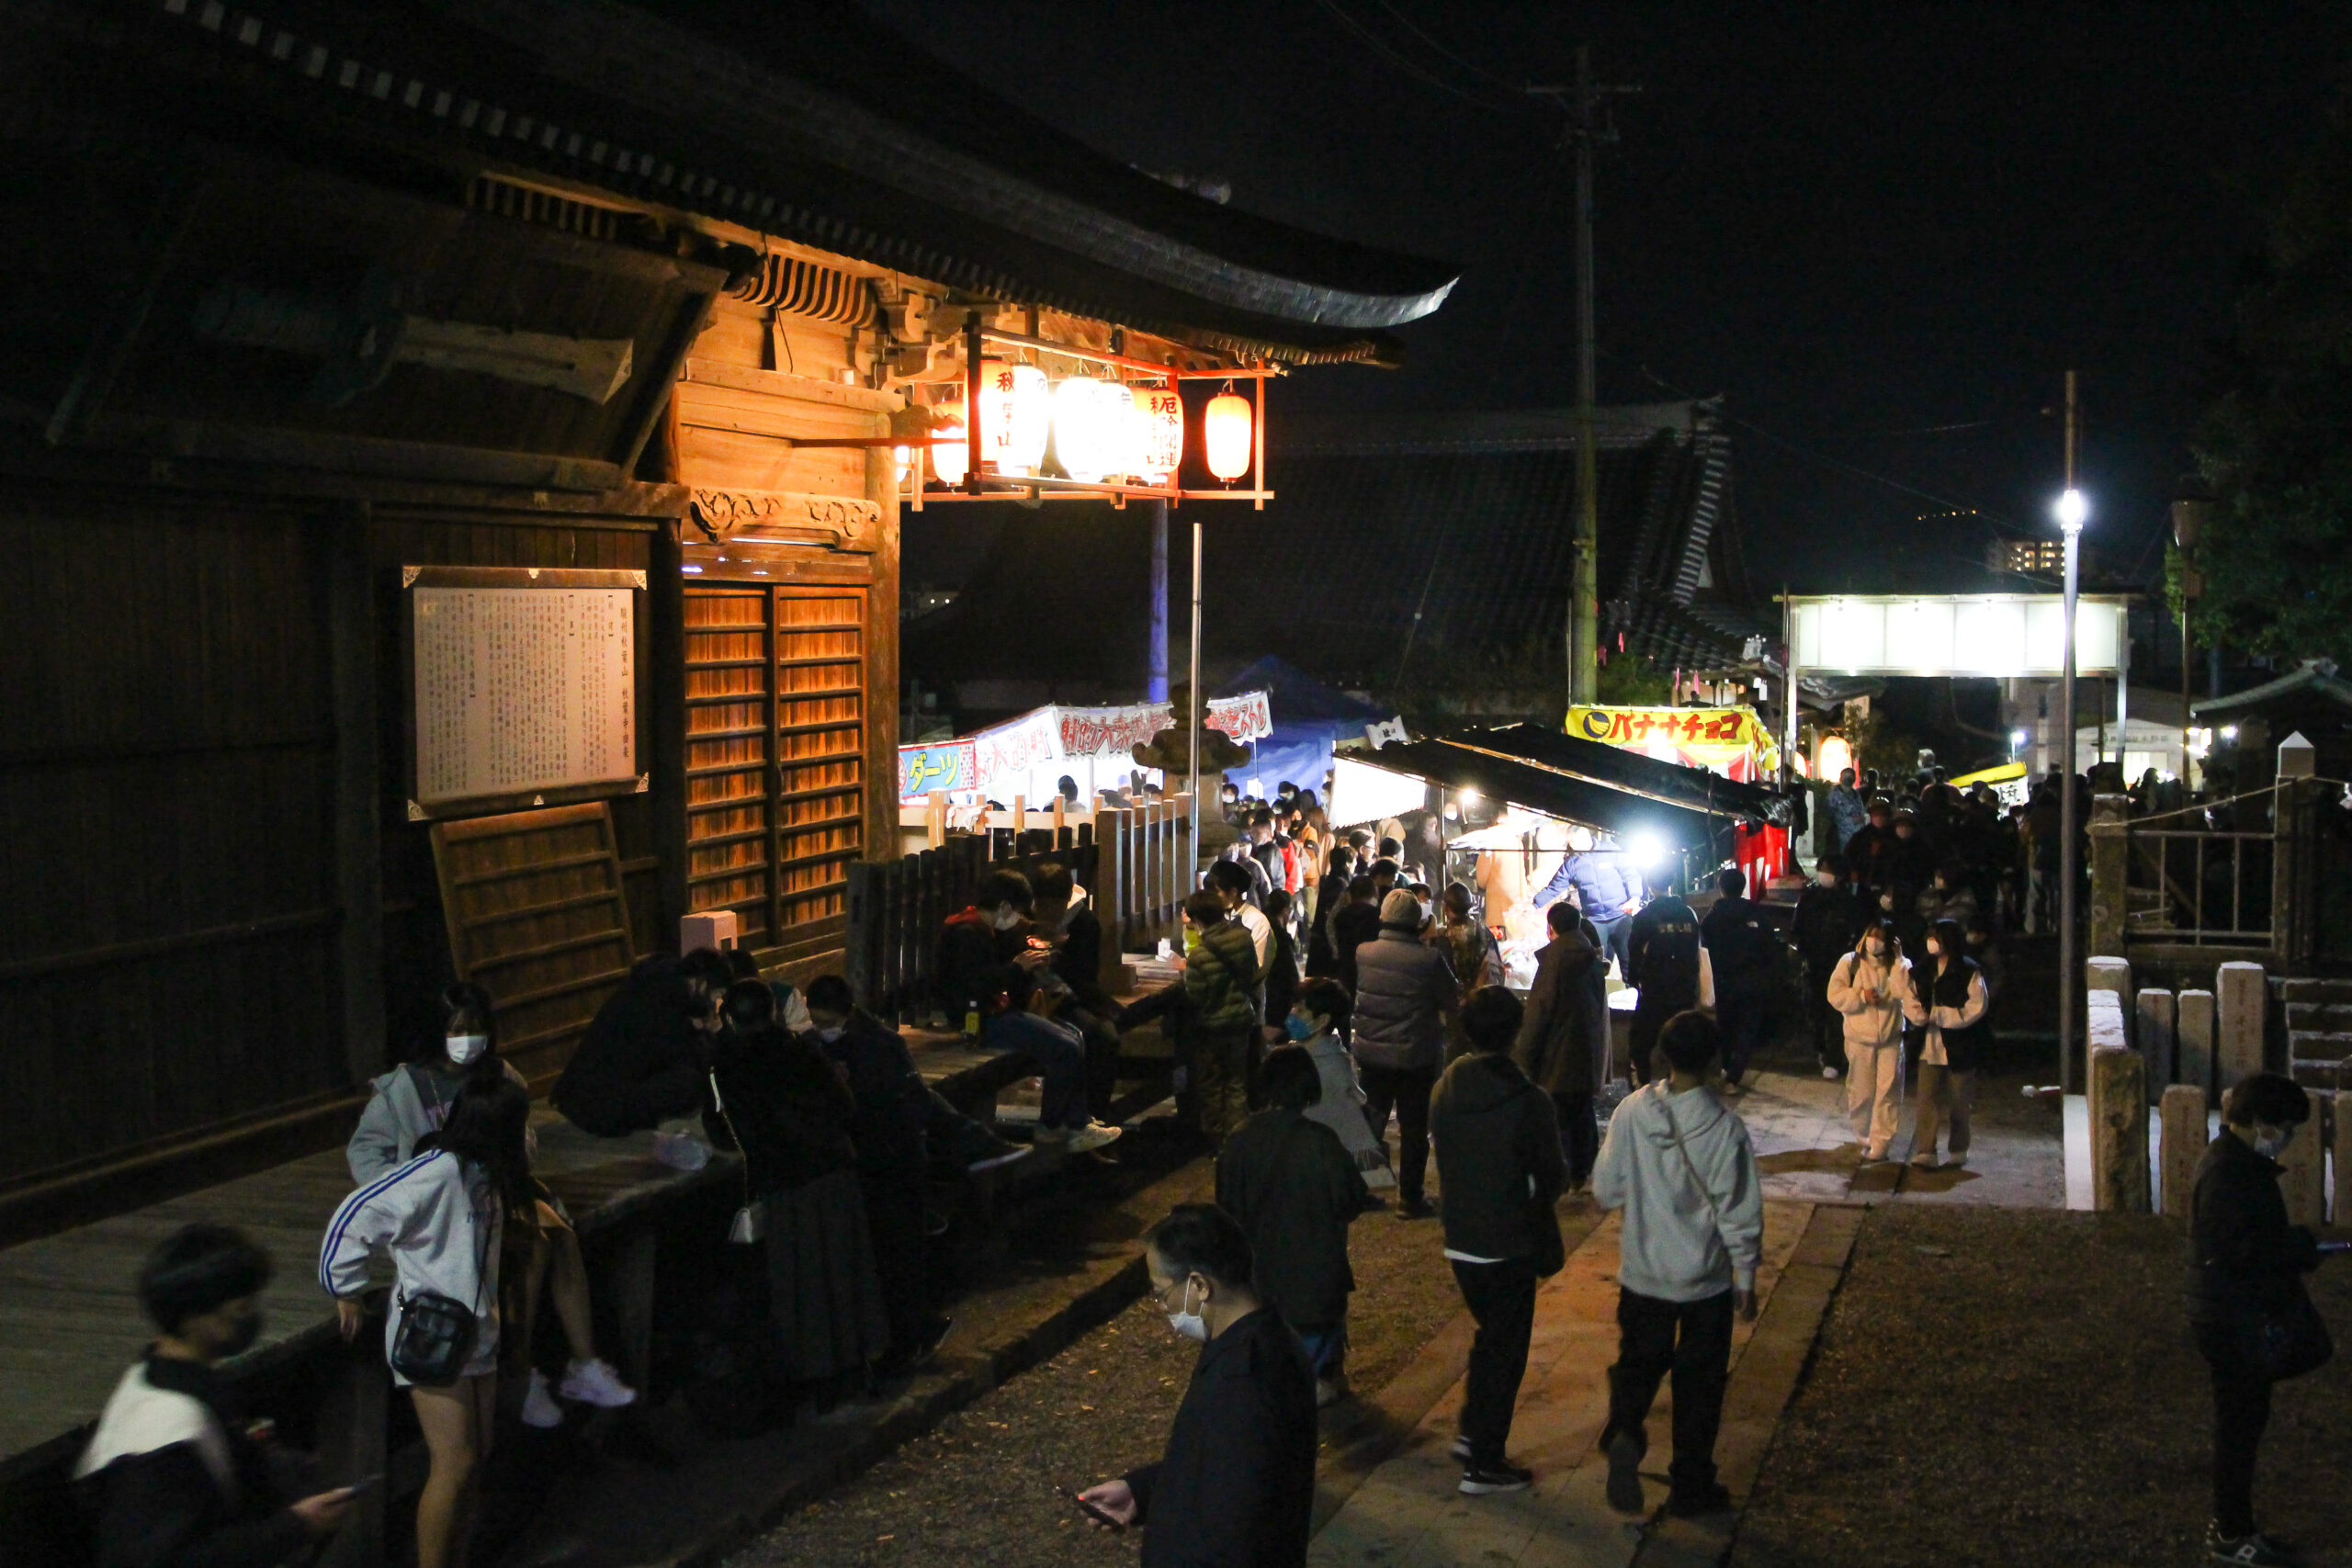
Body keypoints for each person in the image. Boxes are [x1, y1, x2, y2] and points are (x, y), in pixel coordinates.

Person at [348, 986, 633, 1429]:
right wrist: (403, 1193)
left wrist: (512, 1150)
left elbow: (524, 1136)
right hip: (441, 1206)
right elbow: (366, 1152)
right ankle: (521, 1371)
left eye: (476, 1028)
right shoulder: (405, 1087)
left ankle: (583, 1363)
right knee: (532, 1246)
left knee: (560, 1234)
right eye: (458, 1029)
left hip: (498, 1187)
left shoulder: (500, 1075)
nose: (469, 1038)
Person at [322, 1076, 534, 1568]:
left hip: (477, 1325)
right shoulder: (436, 1172)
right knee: (454, 1461)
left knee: (477, 1453)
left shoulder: (491, 1172)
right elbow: (356, 1212)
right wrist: (346, 1286)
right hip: (432, 1329)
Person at [78, 1226, 354, 1568]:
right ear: (196, 1316)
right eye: (241, 1308)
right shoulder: (163, 1432)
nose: (252, 1317)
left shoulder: (163, 1374)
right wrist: (296, 1526)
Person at [1592, 1010, 1764, 1520]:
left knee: (1638, 1363)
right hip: (1704, 1281)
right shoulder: (1726, 1129)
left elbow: (1605, 1189)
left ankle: (1626, 1428)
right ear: (1714, 1059)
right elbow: (1740, 1211)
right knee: (1700, 1386)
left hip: (1644, 1273)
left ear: (1662, 1056)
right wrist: (1747, 1278)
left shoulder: (1631, 1112)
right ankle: (1691, 1484)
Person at [1076, 1205, 1318, 1565]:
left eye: (1161, 1293)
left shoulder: (1246, 1379)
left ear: (1200, 1285)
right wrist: (1139, 1492)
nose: (1161, 1306)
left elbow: (1237, 1526)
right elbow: (1213, 1463)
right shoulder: (1252, 1343)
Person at [703, 981, 891, 1398]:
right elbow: (844, 1105)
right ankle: (857, 1366)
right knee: (843, 1271)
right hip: (831, 1167)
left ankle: (814, 1378)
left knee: (801, 1281)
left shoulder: (727, 1063)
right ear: (772, 1013)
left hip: (784, 1179)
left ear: (730, 1018)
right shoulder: (800, 1049)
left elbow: (721, 1126)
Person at [2187, 1073, 2329, 1567]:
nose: (2287, 1138)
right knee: (2239, 1428)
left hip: (2224, 1311)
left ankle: (2232, 1524)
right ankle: (2231, 1533)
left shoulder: (2229, 1161)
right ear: (2261, 1122)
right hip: (2233, 1318)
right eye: (2286, 1127)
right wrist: (2298, 1249)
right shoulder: (2234, 1174)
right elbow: (2244, 1252)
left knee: (2241, 1425)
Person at [1430, 987, 1566, 1495]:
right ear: (1515, 1033)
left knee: (1491, 1335)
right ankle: (1485, 1461)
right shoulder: (1529, 1100)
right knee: (1506, 1348)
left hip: (1461, 1235)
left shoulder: (1447, 1087)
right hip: (1509, 1239)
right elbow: (1553, 1175)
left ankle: (1473, 1432)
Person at [802, 975, 963, 1378]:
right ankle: (902, 1337)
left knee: (898, 1256)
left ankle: (911, 1337)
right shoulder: (814, 1047)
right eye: (816, 1022)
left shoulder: (881, 1045)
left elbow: (900, 1104)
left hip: (891, 1158)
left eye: (828, 1022)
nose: (824, 1030)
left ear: (848, 1013)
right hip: (864, 1161)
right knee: (881, 1257)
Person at [1216, 1047, 1365, 1406]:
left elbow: (1226, 1209)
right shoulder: (1321, 1142)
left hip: (1258, 1281)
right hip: (1314, 1282)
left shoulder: (1239, 1140)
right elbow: (1351, 1200)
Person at [1351, 887, 1458, 1219]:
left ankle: (1359, 1190)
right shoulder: (1428, 959)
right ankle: (1410, 1198)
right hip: (1416, 1055)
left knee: (1371, 1122)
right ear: (1417, 921)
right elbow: (1451, 999)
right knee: (1413, 1128)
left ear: (1383, 917)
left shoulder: (1364, 952)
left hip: (1372, 1052)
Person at [549, 948, 730, 1139]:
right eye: (715, 995)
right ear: (701, 983)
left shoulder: (658, 984)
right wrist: (711, 1033)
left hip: (586, 1096)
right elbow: (683, 1055)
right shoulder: (662, 998)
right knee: (689, 1083)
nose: (713, 1004)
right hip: (596, 1105)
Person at [1514, 901, 1607, 1188]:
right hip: (1585, 1049)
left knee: (1558, 1117)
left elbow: (1539, 1013)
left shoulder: (1554, 961)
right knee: (1581, 1110)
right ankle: (1583, 1172)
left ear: (1551, 928)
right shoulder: (1590, 956)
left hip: (1557, 1053)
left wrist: (1524, 1058)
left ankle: (1563, 1176)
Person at [988, 964, 1125, 1153]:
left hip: (1004, 1012)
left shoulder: (990, 937)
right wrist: (1016, 967)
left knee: (1075, 1037)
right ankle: (1051, 1125)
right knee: (1066, 1048)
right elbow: (981, 985)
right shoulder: (966, 938)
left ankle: (1077, 1122)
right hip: (983, 1019)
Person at [1284, 977, 1393, 1190]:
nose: (1291, 1015)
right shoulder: (1326, 1057)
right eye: (1293, 1007)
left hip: (1316, 1176)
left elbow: (1350, 1130)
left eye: (1300, 1010)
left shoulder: (1324, 1069)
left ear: (1322, 1020)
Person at [1900, 919, 1988, 1168]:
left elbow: (1977, 1005)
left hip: (1959, 1044)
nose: (1932, 942)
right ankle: (1926, 1150)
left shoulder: (1968, 970)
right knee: (1926, 1098)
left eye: (1936, 937)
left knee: (1959, 1099)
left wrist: (1946, 1016)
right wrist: (1920, 1016)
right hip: (1929, 1044)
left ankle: (1959, 1148)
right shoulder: (1922, 969)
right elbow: (1910, 996)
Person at [1826, 919, 1913, 1163]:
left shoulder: (1900, 964)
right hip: (1859, 1038)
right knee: (1862, 1091)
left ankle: (1881, 1141)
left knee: (1888, 1092)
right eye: (1871, 935)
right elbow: (1834, 994)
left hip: (1891, 1038)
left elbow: (1901, 992)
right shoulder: (1850, 962)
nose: (1874, 941)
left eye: (1880, 937)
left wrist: (1899, 961)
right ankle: (1862, 1132)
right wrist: (1860, 996)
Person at [1182, 888, 1262, 1144]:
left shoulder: (1199, 955)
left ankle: (1218, 1141)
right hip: (1241, 1020)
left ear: (1198, 919)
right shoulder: (1243, 938)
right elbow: (1251, 974)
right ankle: (1239, 1136)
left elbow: (1195, 997)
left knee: (1213, 1084)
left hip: (1213, 1027)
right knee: (1237, 1081)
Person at [1697, 869, 1779, 1090]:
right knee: (1747, 1028)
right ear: (1743, 887)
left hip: (1724, 982)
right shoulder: (1756, 914)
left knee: (1726, 1025)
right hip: (1752, 981)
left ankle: (1726, 1067)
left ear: (1720, 888)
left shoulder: (1712, 918)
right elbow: (1770, 946)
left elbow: (1704, 950)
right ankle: (1734, 1075)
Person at [1624, 871, 1706, 1087]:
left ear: (1650, 886)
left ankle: (1641, 1085)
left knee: (1641, 1041)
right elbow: (1695, 951)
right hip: (1684, 989)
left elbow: (1633, 952)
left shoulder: (1645, 917)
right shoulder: (1688, 914)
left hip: (1655, 990)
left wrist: (1633, 980)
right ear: (1671, 882)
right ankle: (1683, 1082)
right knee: (1684, 1038)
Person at [1792, 856, 1869, 1081]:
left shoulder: (1851, 902)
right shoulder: (1810, 898)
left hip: (1840, 965)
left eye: (1828, 870)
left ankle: (1834, 1058)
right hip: (1814, 964)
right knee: (1814, 1010)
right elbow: (1798, 929)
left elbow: (1858, 933)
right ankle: (1821, 1049)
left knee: (1836, 1012)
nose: (1823, 873)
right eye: (1822, 869)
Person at [1532, 842, 1640, 976]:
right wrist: (1535, 904)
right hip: (1595, 920)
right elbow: (1556, 886)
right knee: (1596, 966)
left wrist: (1635, 897)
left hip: (1621, 915)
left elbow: (1630, 874)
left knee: (1629, 962)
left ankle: (1636, 992)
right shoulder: (1572, 863)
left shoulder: (1610, 850)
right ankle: (1600, 996)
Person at [1261, 889, 1304, 1047]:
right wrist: (1298, 993)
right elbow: (1290, 973)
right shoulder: (1281, 937)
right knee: (1285, 1037)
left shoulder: (1260, 929)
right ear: (1286, 910)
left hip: (1262, 992)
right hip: (1279, 995)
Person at [1331, 874, 1382, 998]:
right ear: (1374, 893)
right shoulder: (1377, 915)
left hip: (1346, 968)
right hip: (1371, 971)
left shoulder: (1341, 916)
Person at [1826, 767, 1868, 853]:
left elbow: (1861, 809)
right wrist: (1852, 820)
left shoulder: (1855, 794)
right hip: (1842, 835)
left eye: (1851, 777)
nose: (1848, 780)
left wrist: (1862, 818)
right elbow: (1832, 815)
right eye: (1846, 777)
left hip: (1857, 835)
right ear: (1841, 778)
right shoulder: (1834, 794)